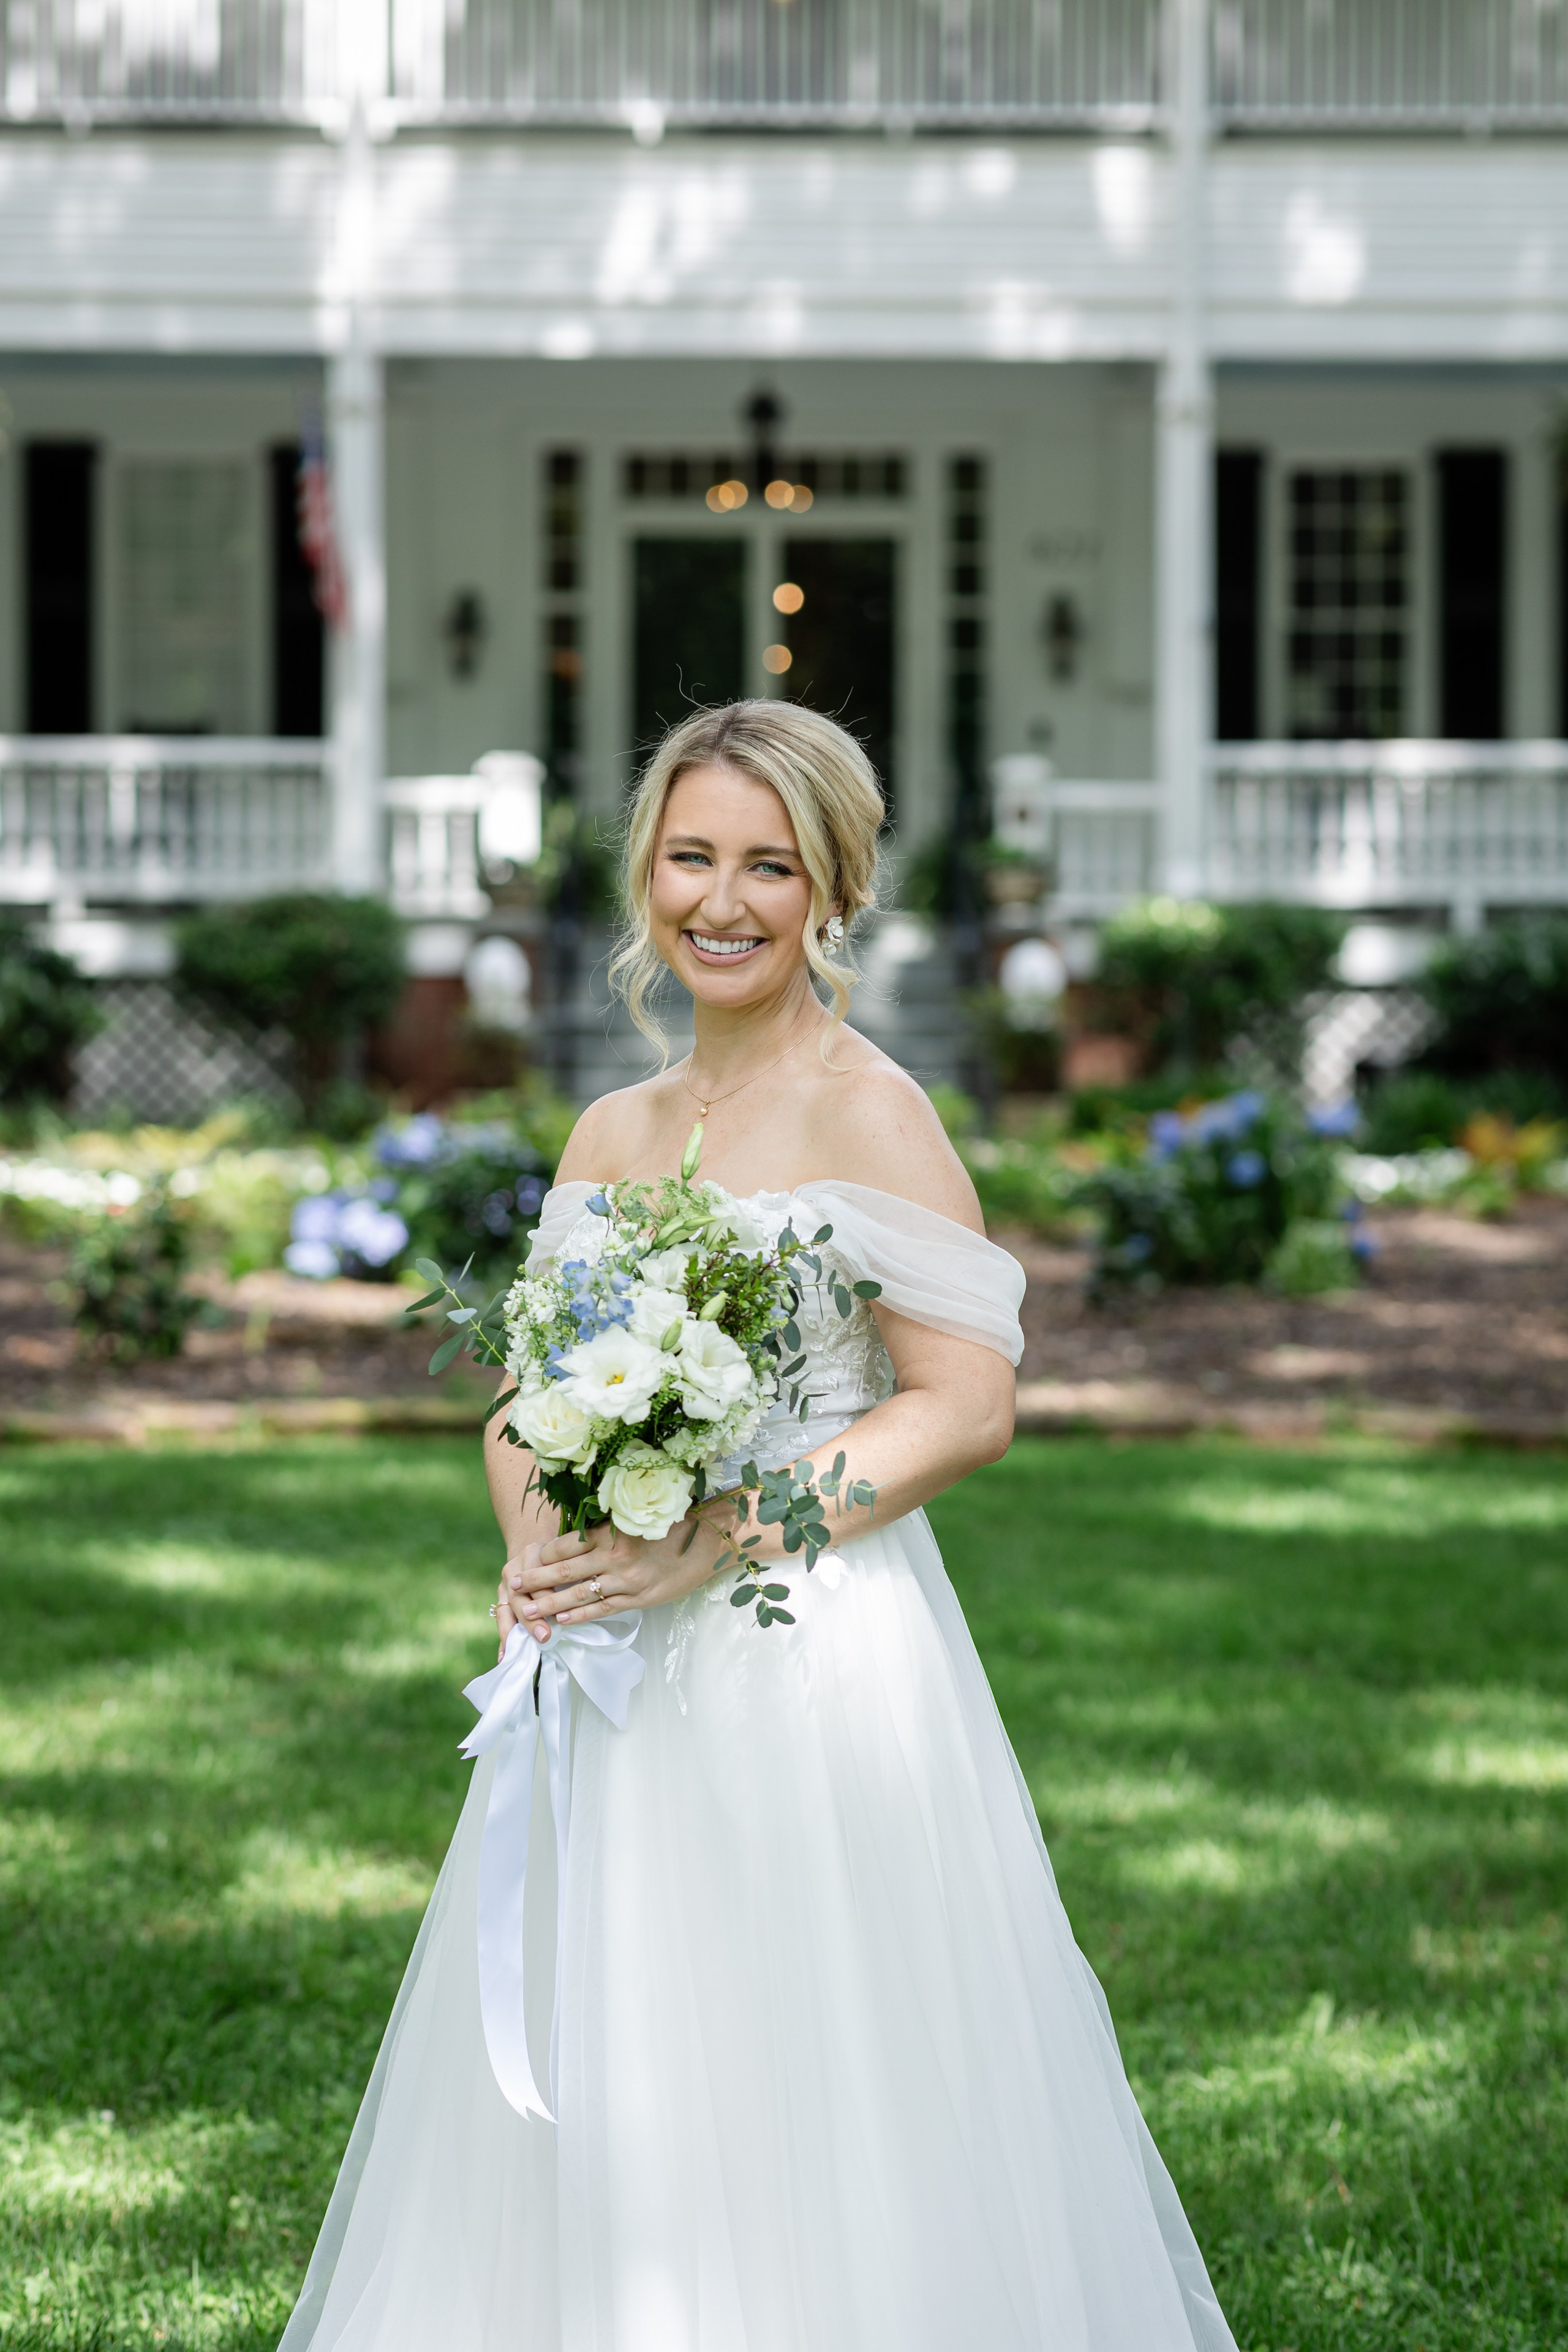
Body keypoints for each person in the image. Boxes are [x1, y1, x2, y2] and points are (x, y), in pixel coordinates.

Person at [279, 701, 1238, 2352]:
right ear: (647, 873)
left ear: (832, 890)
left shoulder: (877, 1115)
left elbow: (963, 1404)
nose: (721, 902)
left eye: (768, 867)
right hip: (604, 1652)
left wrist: (719, 1533)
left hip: (815, 1654)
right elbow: (527, 1395)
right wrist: (538, 1540)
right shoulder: (611, 1134)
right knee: (608, 2059)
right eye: (691, 858)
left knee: (810, 2063)